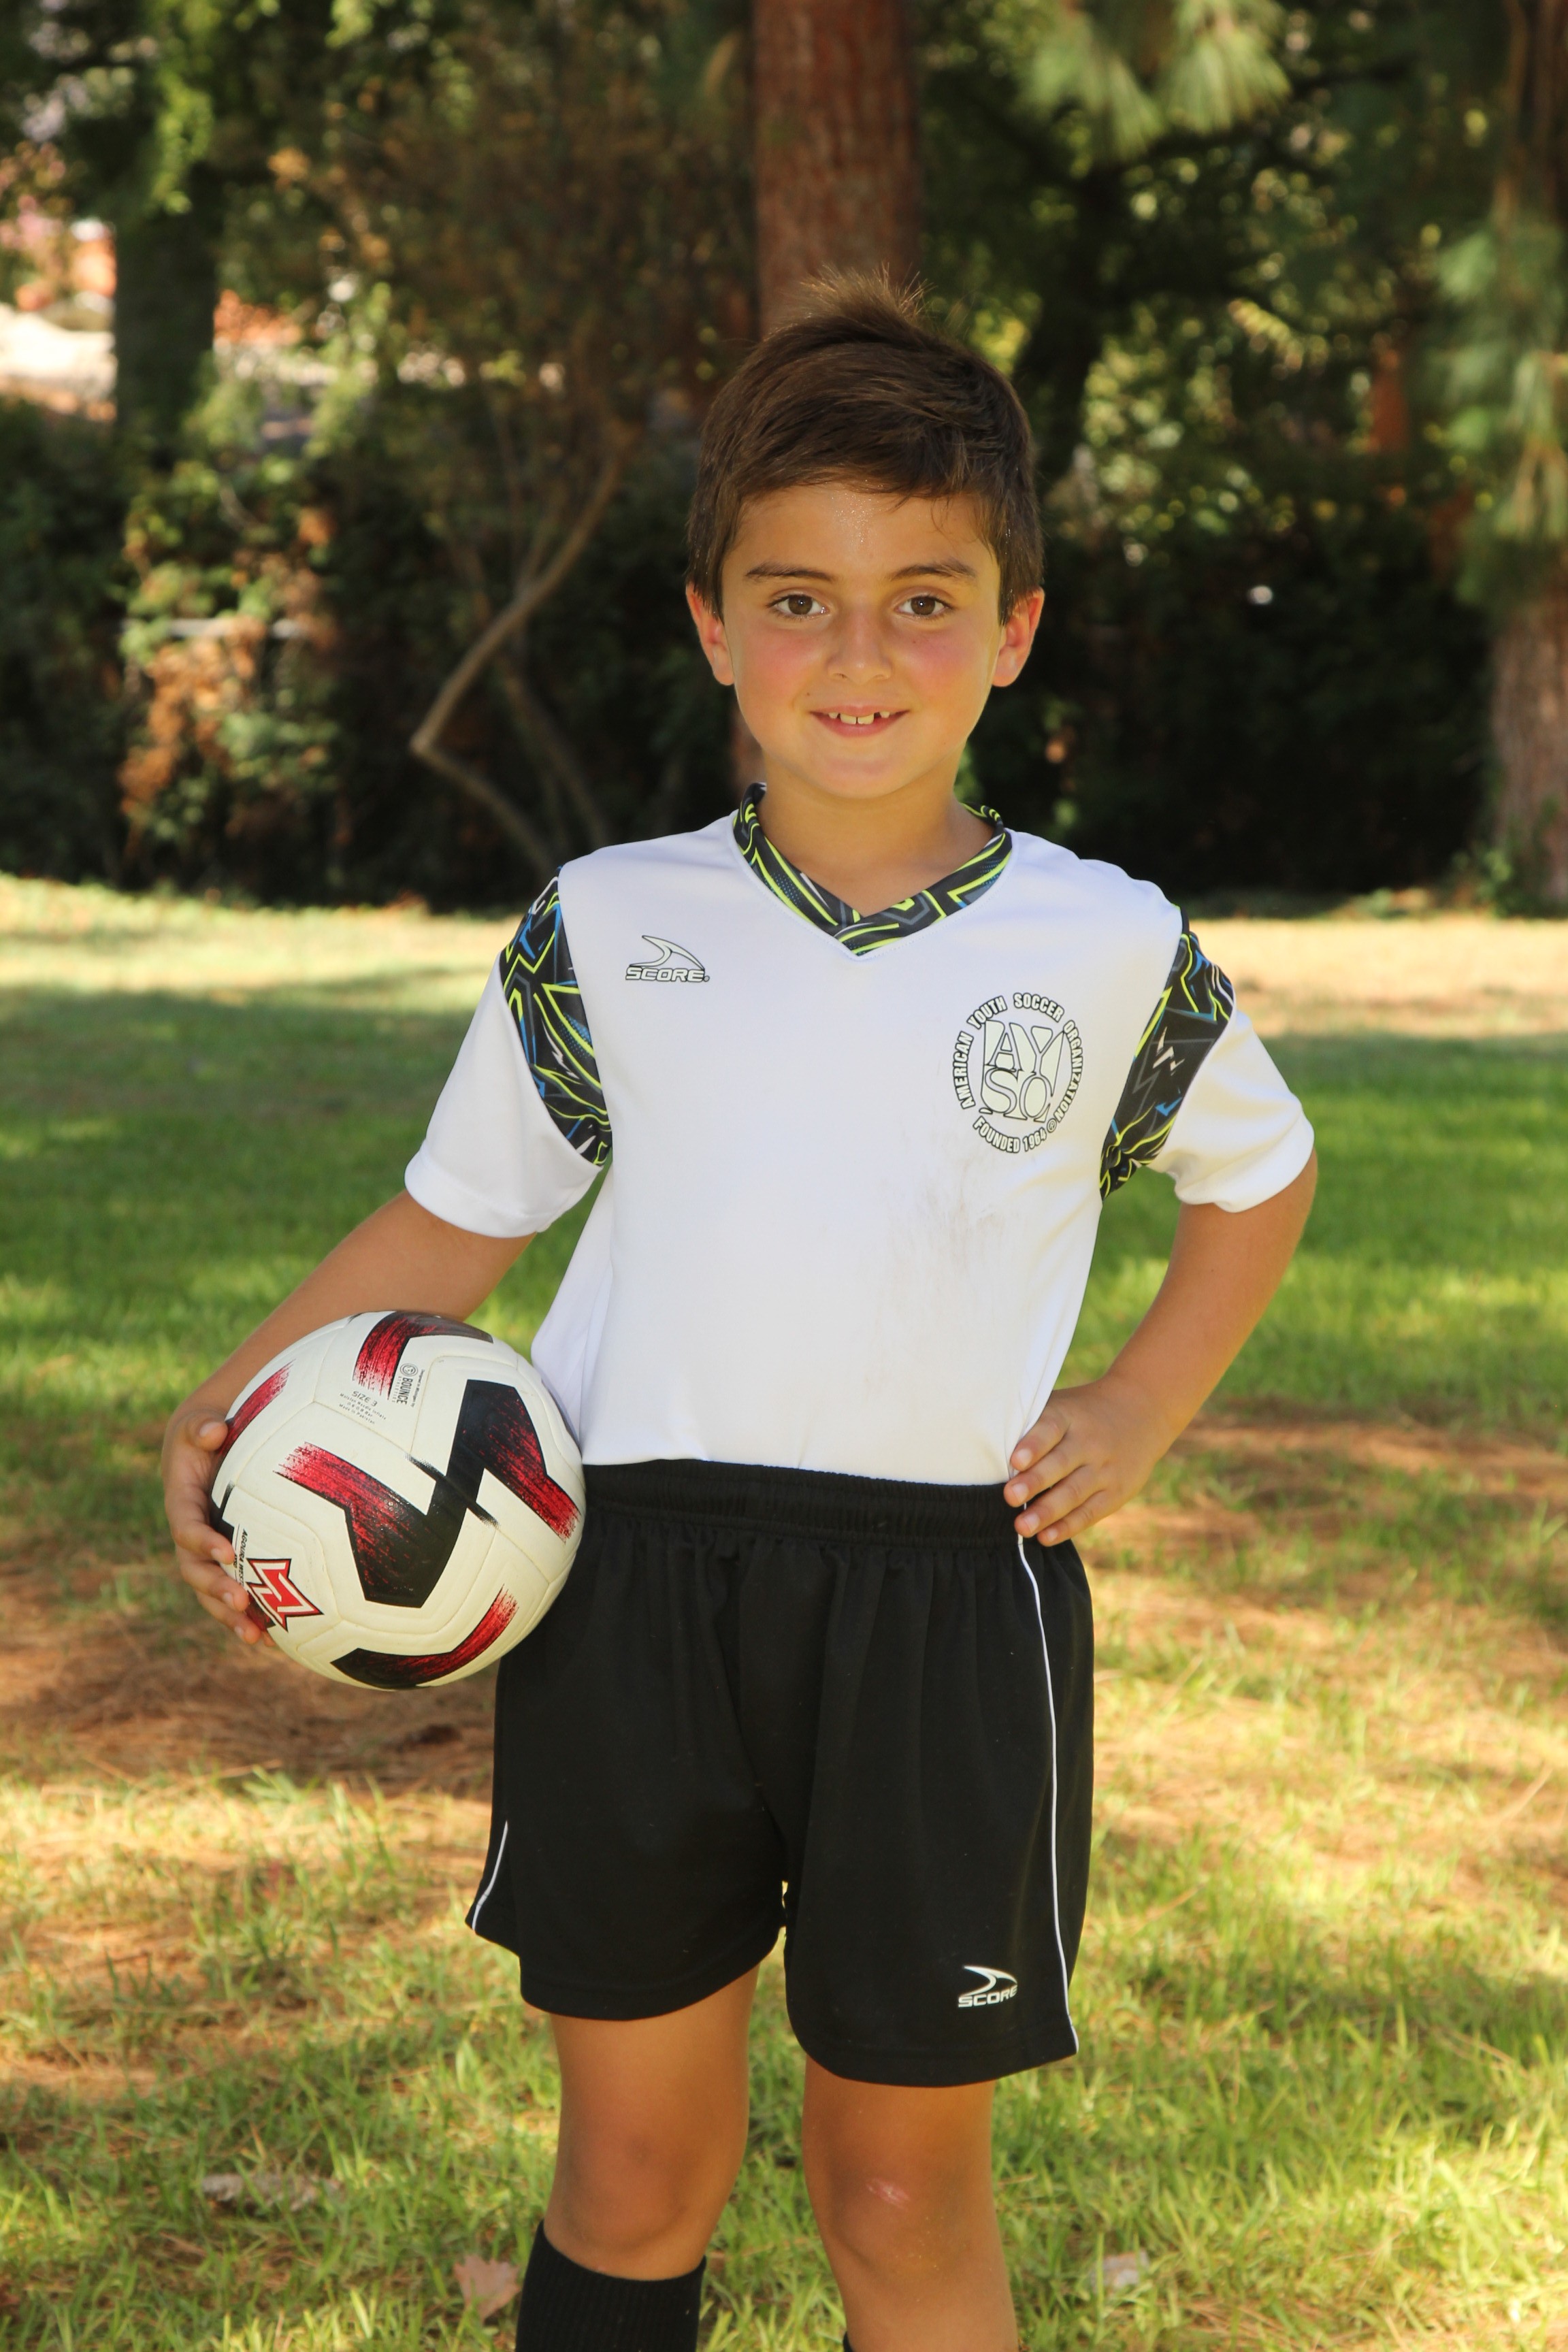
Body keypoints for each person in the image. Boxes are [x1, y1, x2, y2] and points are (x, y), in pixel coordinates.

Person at [163, 278, 1316, 2352]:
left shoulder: (1103, 944)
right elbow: (453, 1221)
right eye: (798, 601)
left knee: (896, 2194)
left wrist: (1144, 1405)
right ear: (713, 625)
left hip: (949, 1608)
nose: (857, 657)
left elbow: (1262, 1175)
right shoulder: (609, 927)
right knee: (633, 2173)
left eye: (923, 603)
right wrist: (235, 1408)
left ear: (1015, 629)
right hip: (630, 1590)